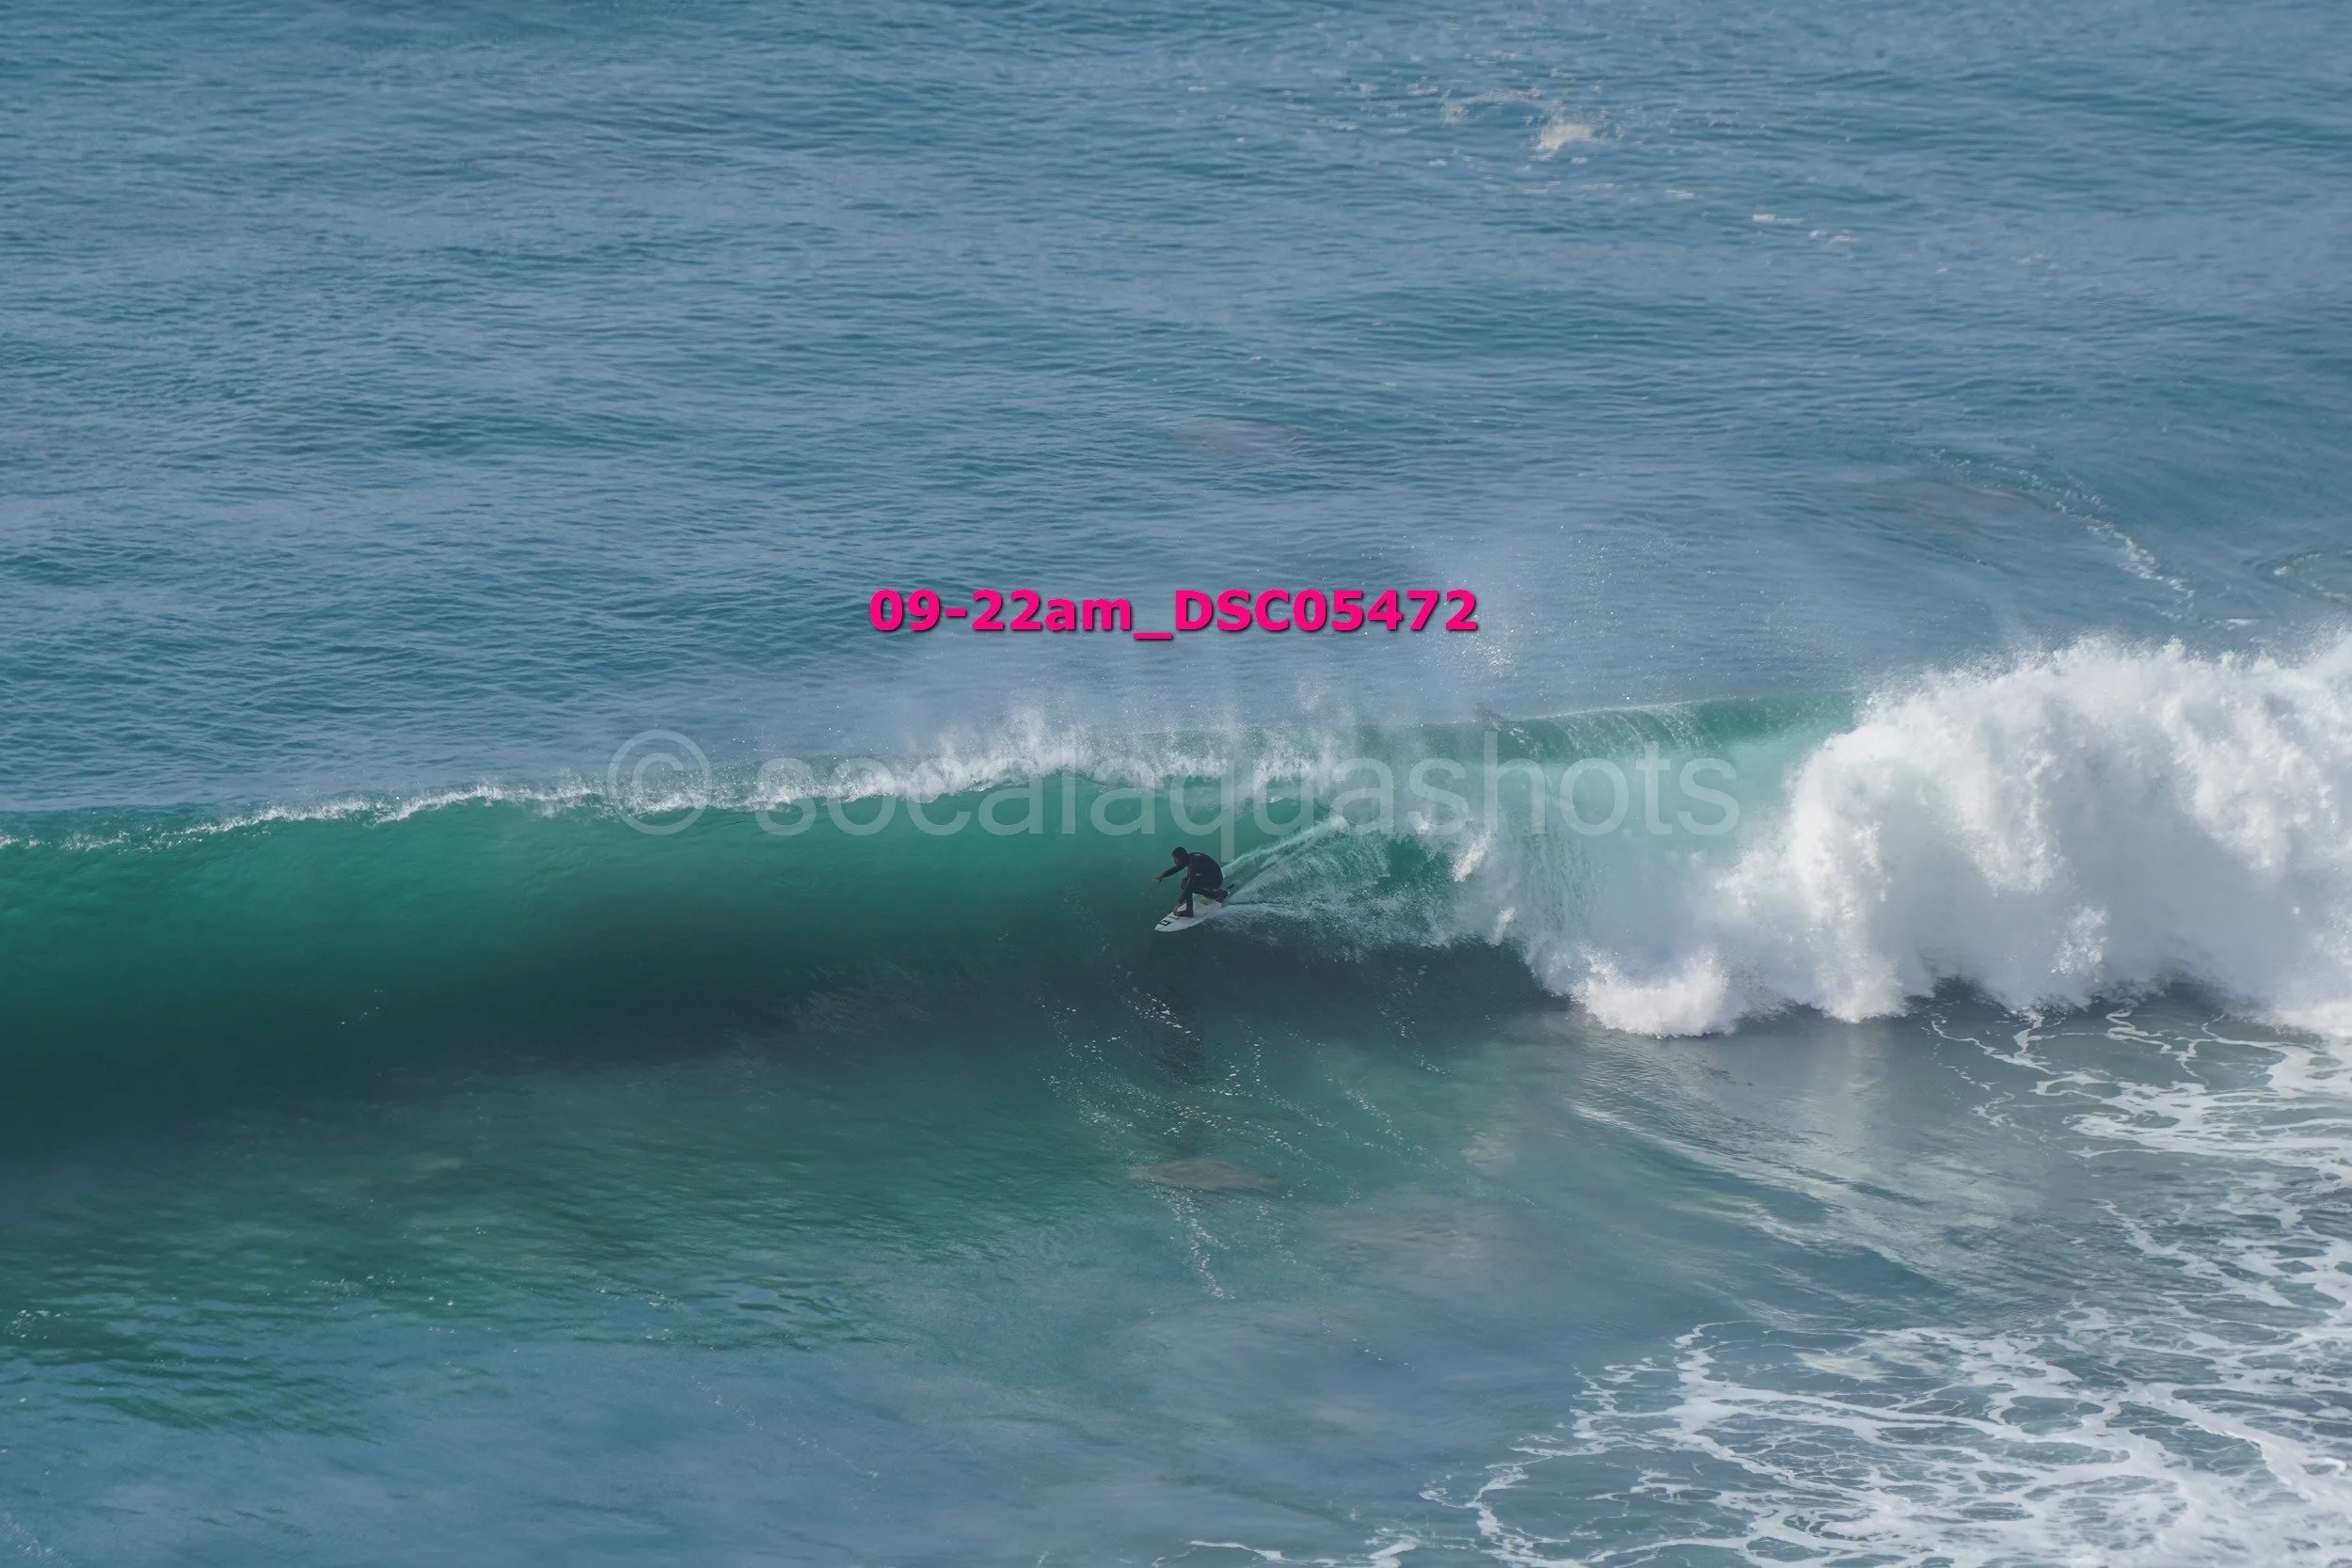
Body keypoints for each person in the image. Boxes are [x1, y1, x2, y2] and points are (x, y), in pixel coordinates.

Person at [1154, 845, 1225, 919]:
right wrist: (1163, 875)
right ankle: (1214, 894)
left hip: (1216, 881)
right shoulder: (1189, 857)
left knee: (1187, 884)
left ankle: (1189, 911)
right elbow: (1178, 867)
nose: (1174, 861)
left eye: (1176, 859)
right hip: (1213, 876)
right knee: (1185, 883)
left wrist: (1178, 904)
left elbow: (1188, 886)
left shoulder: (1193, 866)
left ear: (1181, 859)